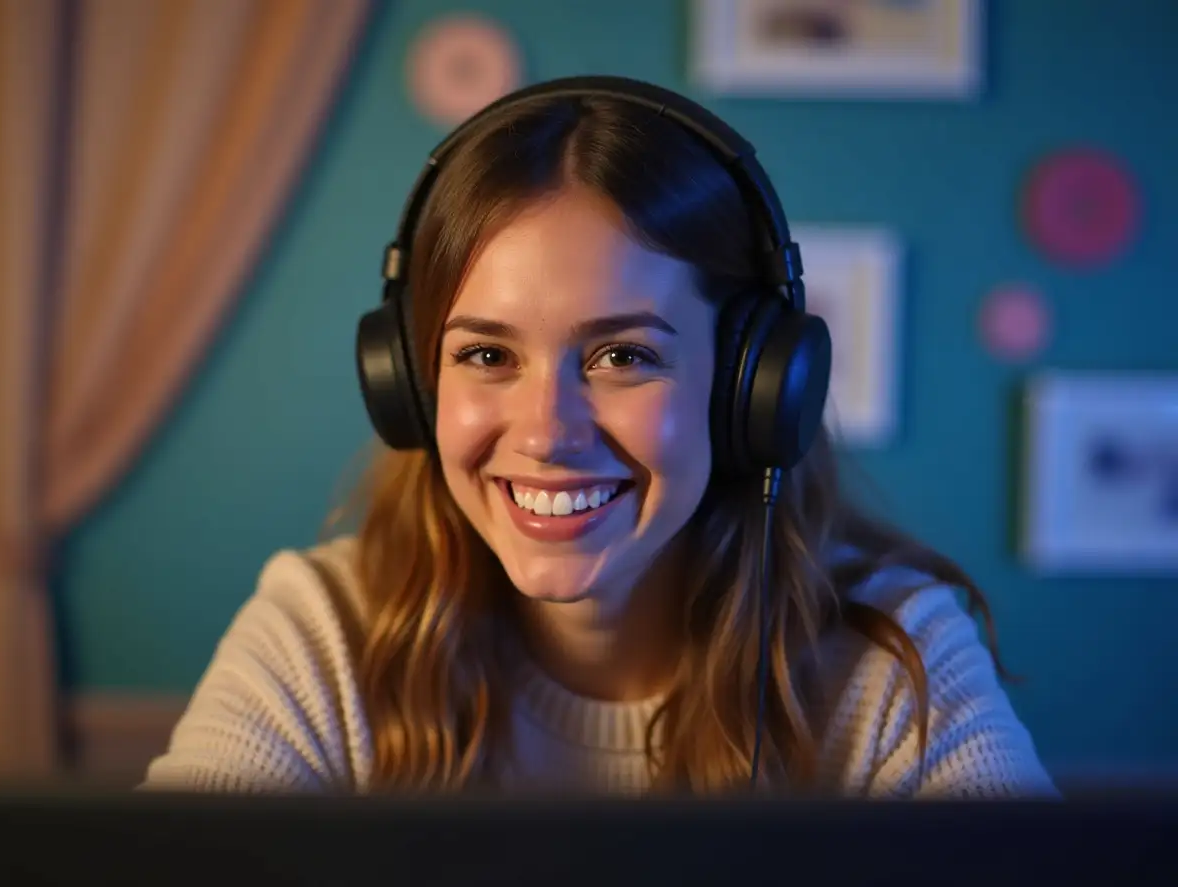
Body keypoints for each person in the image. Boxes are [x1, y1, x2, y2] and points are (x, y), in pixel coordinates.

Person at [143, 77, 1055, 798]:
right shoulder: (325, 635)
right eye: (487, 354)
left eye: (622, 355)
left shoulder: (892, 660)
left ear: (752, 387)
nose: (546, 433)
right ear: (413, 386)